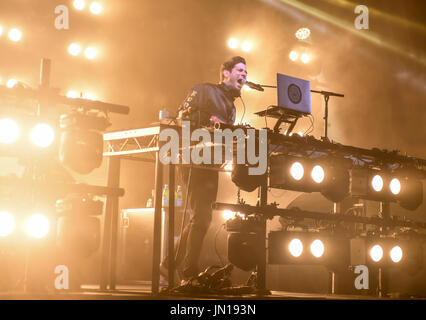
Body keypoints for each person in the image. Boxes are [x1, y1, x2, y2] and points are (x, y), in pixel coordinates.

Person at [160, 56, 247, 284]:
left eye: (246, 72)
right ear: (225, 73)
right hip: (192, 157)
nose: (244, 75)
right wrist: (209, 122)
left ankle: (169, 264)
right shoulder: (203, 90)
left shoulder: (232, 107)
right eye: (240, 70)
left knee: (202, 218)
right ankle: (187, 272)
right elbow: (181, 115)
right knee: (201, 218)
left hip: (210, 164)